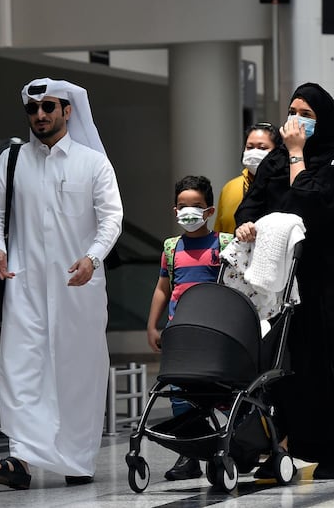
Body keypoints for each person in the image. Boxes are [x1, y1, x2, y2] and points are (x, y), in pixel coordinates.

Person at [0, 78, 123, 489]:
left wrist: (93, 257)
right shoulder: (12, 161)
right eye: (33, 109)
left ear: (67, 110)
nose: (40, 115)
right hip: (23, 286)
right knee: (21, 369)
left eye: (49, 106)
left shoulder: (93, 163)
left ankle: (77, 460)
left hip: (78, 288)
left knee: (78, 372)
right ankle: (20, 459)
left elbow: (112, 217)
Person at [234, 82, 334, 479]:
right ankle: (282, 448)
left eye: (307, 114)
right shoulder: (275, 162)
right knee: (283, 369)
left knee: (328, 368)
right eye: (293, 111)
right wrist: (246, 223)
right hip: (280, 286)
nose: (296, 120)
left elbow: (307, 203)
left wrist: (297, 154)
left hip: (326, 286)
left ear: (324, 119)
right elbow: (252, 203)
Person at [146, 175, 232, 481]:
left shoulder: (224, 244)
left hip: (212, 332)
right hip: (179, 333)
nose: (189, 212)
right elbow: (162, 288)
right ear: (174, 211)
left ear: (209, 211)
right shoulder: (171, 247)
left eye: (196, 206)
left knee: (220, 391)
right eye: (183, 206)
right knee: (180, 394)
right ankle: (189, 453)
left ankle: (230, 442)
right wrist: (153, 325)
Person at [213, 122, 281, 234]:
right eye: (250, 147)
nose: (254, 152)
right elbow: (220, 233)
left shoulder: (285, 187)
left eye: (262, 148)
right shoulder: (230, 188)